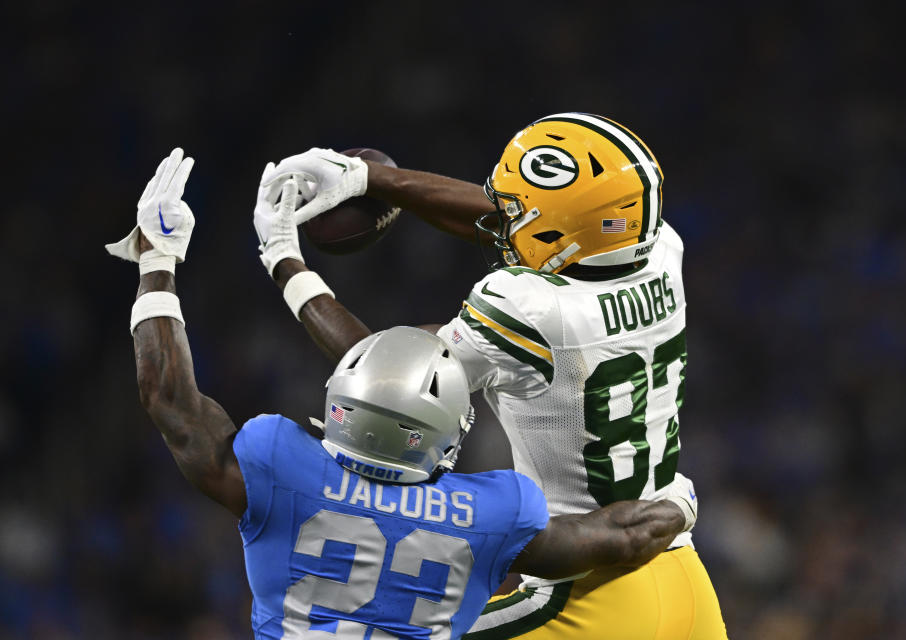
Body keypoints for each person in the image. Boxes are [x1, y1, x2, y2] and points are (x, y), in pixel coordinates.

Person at [106, 148, 698, 639]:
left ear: (337, 405)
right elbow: (620, 535)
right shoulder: (488, 514)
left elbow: (169, 399)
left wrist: (158, 259)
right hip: (655, 586)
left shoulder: (279, 466)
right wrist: (679, 501)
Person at [261, 112, 728, 639]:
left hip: (588, 597)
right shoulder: (662, 249)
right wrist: (371, 178)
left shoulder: (526, 306)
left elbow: (387, 375)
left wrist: (283, 260)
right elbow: (527, 219)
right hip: (682, 575)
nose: (505, 217)